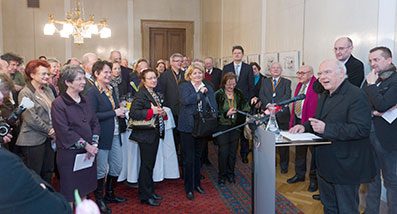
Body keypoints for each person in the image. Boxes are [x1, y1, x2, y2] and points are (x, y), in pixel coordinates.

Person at [290, 59, 376, 213]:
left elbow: (361, 129)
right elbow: (318, 120)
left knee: (346, 209)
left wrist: (327, 128)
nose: (322, 77)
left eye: (327, 72)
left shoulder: (357, 95)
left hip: (346, 167)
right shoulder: (325, 94)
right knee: (329, 207)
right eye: (320, 73)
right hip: (325, 165)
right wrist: (303, 126)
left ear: (342, 73)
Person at [51, 65, 100, 208]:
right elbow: (64, 131)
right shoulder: (59, 103)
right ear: (68, 82)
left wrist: (94, 144)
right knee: (70, 192)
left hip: (89, 152)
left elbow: (95, 123)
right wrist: (87, 146)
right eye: (79, 79)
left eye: (83, 78)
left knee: (84, 188)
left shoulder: (85, 100)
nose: (83, 82)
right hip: (70, 153)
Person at [87, 60, 127, 214]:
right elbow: (93, 116)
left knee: (117, 165)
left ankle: (110, 193)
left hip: (115, 133)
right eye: (106, 72)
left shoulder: (110, 88)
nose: (109, 75)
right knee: (101, 169)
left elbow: (115, 108)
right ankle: (99, 198)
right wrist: (114, 113)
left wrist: (120, 109)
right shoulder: (92, 92)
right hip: (102, 135)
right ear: (96, 74)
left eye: (110, 72)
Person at [363, 46, 397, 214]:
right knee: (372, 177)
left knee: (392, 181)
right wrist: (376, 109)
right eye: (370, 61)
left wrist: (371, 86)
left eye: (376, 60)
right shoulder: (373, 79)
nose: (372, 64)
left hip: (388, 139)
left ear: (389, 60)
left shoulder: (394, 80)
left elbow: (383, 104)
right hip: (369, 134)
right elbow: (364, 103)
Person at [178, 63, 217, 200]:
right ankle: (188, 188)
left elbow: (213, 106)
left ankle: (197, 184)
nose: (198, 75)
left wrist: (213, 120)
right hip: (187, 127)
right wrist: (200, 93)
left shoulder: (208, 87)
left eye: (200, 73)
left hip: (202, 127)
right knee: (188, 159)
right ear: (190, 75)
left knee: (197, 158)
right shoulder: (184, 86)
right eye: (195, 73)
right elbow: (186, 101)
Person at [129, 68, 167, 206]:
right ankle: (145, 196)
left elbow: (155, 111)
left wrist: (160, 112)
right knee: (146, 166)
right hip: (145, 135)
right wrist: (152, 112)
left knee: (150, 165)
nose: (153, 80)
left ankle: (150, 191)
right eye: (150, 78)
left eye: (154, 78)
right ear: (143, 81)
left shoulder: (153, 93)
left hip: (153, 133)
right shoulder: (141, 95)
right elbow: (134, 113)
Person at [16, 59, 55, 184]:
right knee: (35, 175)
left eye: (47, 74)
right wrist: (49, 130)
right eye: (43, 74)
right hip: (32, 139)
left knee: (48, 171)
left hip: (49, 138)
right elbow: (30, 117)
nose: (46, 76)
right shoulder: (25, 92)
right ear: (32, 75)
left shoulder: (48, 90)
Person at [286, 65, 318, 192]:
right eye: (298, 73)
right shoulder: (300, 85)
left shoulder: (316, 86)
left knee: (314, 154)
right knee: (299, 150)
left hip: (311, 123)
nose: (299, 75)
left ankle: (314, 180)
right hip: (299, 120)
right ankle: (299, 175)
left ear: (311, 74)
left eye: (302, 73)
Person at [215, 72, 250, 187]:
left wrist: (248, 107)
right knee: (223, 152)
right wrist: (226, 113)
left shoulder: (238, 93)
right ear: (224, 84)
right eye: (229, 84)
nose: (231, 87)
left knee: (232, 152)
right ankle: (222, 175)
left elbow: (245, 107)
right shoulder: (218, 94)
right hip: (222, 126)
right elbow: (214, 112)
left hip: (235, 127)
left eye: (233, 84)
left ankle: (231, 174)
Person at [222, 46, 254, 164]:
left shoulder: (248, 68)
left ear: (242, 55)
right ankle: (231, 153)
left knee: (243, 130)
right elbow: (223, 85)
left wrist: (249, 102)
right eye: (235, 53)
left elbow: (251, 86)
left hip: (243, 103)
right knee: (231, 128)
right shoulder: (227, 67)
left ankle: (244, 154)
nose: (237, 55)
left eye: (239, 53)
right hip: (230, 103)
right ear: (232, 55)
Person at [259, 62, 291, 173]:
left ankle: (284, 166)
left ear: (281, 70)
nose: (276, 70)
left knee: (283, 142)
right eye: (273, 68)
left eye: (278, 68)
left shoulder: (287, 82)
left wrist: (276, 106)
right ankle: (271, 163)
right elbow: (261, 94)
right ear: (270, 70)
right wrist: (268, 104)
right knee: (269, 141)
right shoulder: (265, 81)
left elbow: (287, 96)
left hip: (282, 115)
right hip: (268, 114)